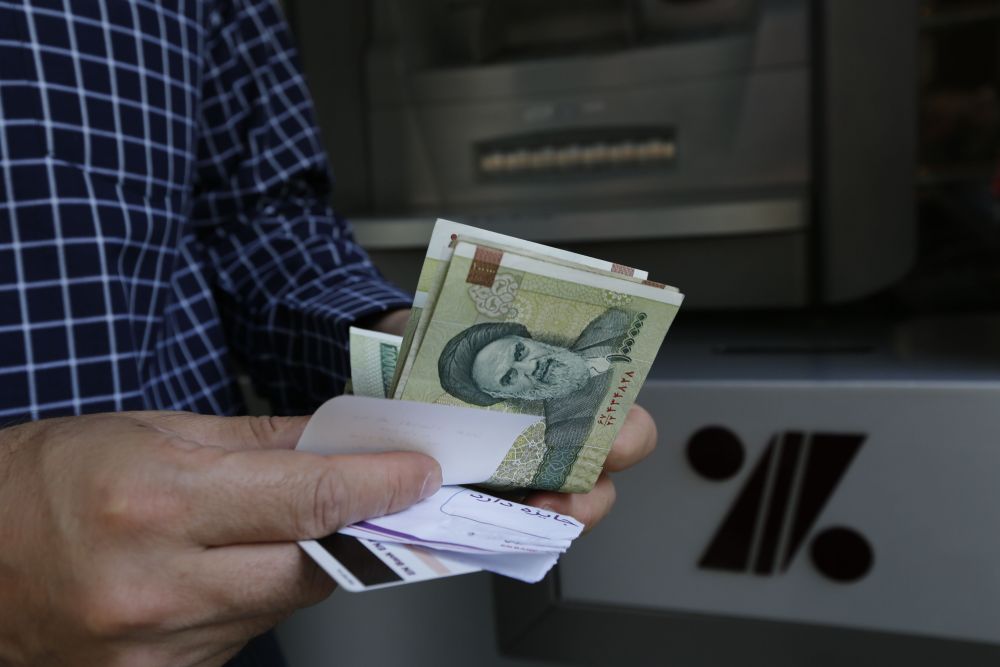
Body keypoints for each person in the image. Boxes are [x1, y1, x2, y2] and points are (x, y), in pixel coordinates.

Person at [0, 2, 657, 666]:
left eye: (511, 359)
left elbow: (261, 223)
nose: (528, 372)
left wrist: (402, 355)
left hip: (210, 613)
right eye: (510, 367)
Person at [439, 308, 642, 488]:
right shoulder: (563, 438)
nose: (531, 366)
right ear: (504, 396)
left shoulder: (614, 323)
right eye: (510, 377)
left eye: (520, 352)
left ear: (528, 339)